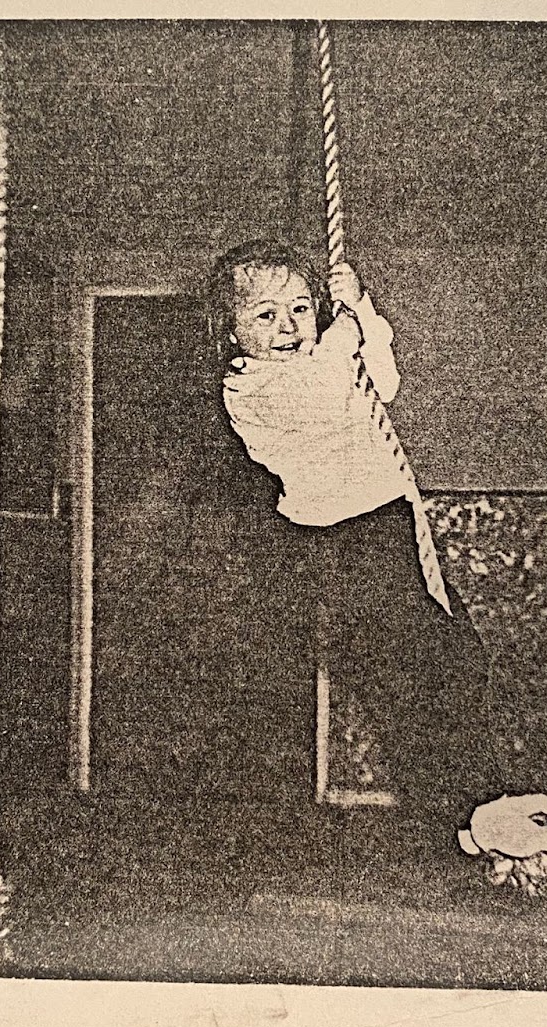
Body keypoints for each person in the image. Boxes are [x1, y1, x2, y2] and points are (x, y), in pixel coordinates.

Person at [208, 238, 495, 816]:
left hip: (387, 522)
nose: (288, 325)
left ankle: (476, 795)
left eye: (300, 308)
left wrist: (361, 309)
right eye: (266, 314)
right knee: (395, 671)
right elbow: (327, 391)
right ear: (234, 335)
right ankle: (450, 802)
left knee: (456, 657)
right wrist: (343, 324)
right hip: (335, 541)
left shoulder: (326, 359)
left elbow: (378, 383)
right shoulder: (251, 387)